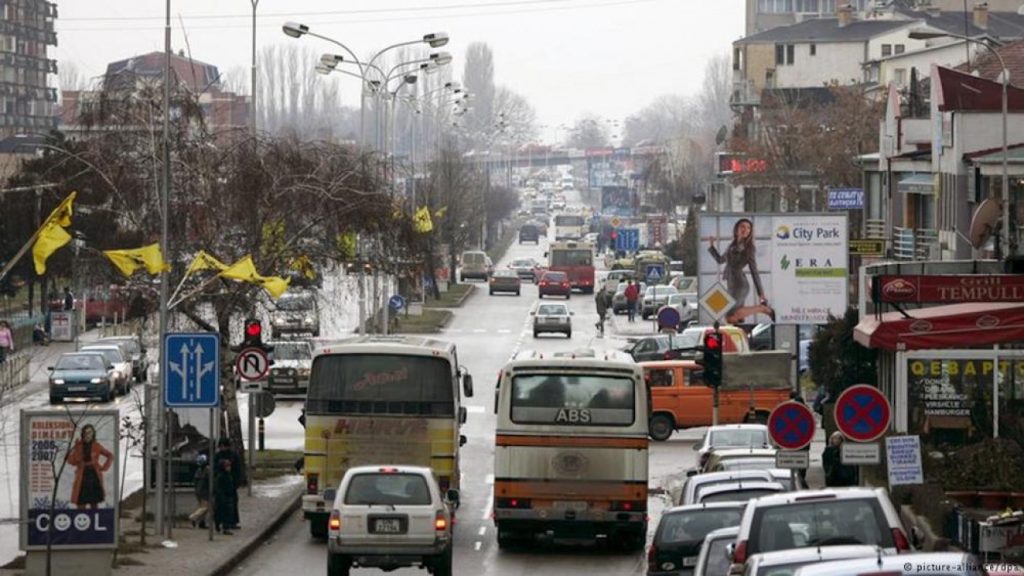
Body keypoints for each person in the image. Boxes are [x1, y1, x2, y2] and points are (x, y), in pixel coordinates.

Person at [707, 218, 774, 324]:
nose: (746, 230)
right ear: (736, 229)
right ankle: (741, 331)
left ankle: (762, 309)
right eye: (743, 226)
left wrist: (760, 293)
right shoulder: (731, 246)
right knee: (735, 318)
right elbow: (720, 260)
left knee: (730, 316)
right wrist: (712, 246)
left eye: (748, 228)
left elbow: (754, 271)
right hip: (731, 284)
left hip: (740, 285)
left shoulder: (749, 248)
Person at [66, 424, 113, 510]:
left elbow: (110, 455)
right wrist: (71, 452)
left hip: (94, 475)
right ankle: (81, 517)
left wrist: (104, 467)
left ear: (93, 433)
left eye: (90, 432)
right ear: (83, 434)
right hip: (82, 476)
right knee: (81, 502)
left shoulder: (97, 445)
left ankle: (94, 517)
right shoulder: (78, 446)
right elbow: (72, 461)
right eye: (85, 432)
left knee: (94, 502)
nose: (87, 435)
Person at [215, 437, 241, 530]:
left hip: (231, 482)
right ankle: (222, 522)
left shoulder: (233, 455)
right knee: (223, 503)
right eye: (221, 446)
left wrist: (237, 481)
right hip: (221, 483)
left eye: (223, 446)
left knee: (232, 503)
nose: (222, 448)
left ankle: (232, 521)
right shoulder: (218, 456)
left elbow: (238, 469)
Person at [213, 458, 237, 535]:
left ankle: (225, 526)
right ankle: (223, 527)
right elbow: (218, 487)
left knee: (228, 512)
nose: (229, 467)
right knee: (223, 513)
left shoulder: (228, 475)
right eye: (227, 466)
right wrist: (222, 496)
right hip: (223, 497)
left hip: (228, 496)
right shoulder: (221, 476)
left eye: (229, 466)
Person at [190, 454, 210, 529]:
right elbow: (210, 480)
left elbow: (195, 481)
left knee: (201, 506)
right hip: (204, 491)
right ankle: (193, 517)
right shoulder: (207, 470)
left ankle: (202, 522)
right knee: (205, 507)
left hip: (198, 491)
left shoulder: (198, 470)